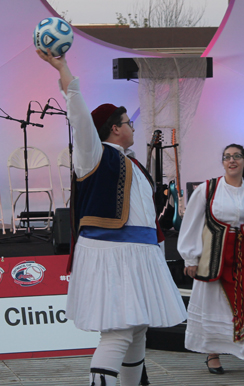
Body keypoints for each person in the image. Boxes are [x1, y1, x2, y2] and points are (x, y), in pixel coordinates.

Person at [37, 49, 187, 386]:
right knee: (119, 331)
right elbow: (78, 115)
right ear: (115, 129)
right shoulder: (93, 154)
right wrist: (63, 69)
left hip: (140, 254)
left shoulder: (132, 163)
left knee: (136, 330)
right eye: (128, 122)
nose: (133, 127)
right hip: (112, 253)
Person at [177, 144, 244, 377]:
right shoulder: (208, 188)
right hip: (215, 257)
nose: (232, 161)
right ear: (223, 162)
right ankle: (212, 353)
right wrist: (191, 257)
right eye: (227, 157)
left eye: (237, 157)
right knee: (214, 303)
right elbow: (191, 224)